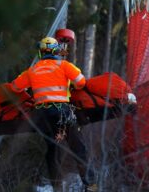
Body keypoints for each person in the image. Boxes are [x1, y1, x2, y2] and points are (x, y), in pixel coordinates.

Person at [11, 37, 97, 191]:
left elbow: (15, 87)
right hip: (62, 111)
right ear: (56, 51)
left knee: (52, 150)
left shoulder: (33, 70)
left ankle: (57, 187)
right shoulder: (64, 65)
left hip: (42, 115)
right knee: (78, 147)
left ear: (41, 52)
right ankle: (90, 185)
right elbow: (81, 82)